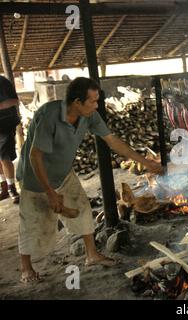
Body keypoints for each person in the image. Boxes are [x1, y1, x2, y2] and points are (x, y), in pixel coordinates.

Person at [16, 77, 162, 283]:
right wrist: (49, 192)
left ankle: (91, 255)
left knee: (82, 208)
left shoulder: (89, 116)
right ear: (77, 102)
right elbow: (35, 155)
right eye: (92, 101)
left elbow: (112, 141)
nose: (96, 105)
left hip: (63, 172)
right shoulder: (50, 115)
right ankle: (26, 268)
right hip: (35, 175)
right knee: (32, 220)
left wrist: (145, 162)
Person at [0, 75, 21, 204]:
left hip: (5, 124)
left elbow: (14, 101)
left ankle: (12, 189)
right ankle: (4, 186)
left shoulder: (2, 82)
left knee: (4, 156)